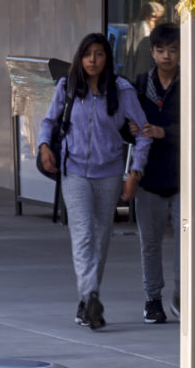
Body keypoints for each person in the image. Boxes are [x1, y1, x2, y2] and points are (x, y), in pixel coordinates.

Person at [35, 30, 148, 330]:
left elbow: (144, 133)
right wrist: (44, 146)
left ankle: (87, 302)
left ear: (107, 58)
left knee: (100, 240)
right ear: (80, 58)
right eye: (87, 55)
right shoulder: (68, 86)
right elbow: (48, 121)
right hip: (75, 174)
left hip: (110, 175)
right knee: (84, 236)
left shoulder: (121, 90)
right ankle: (91, 295)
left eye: (98, 54)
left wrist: (134, 173)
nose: (93, 60)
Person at [130, 20, 182, 326]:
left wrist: (166, 132)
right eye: (161, 50)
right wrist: (131, 129)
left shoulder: (188, 85)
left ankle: (181, 295)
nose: (167, 56)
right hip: (148, 178)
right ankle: (152, 299)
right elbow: (125, 127)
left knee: (183, 242)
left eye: (173, 50)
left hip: (180, 177)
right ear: (152, 52)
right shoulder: (139, 86)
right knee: (149, 242)